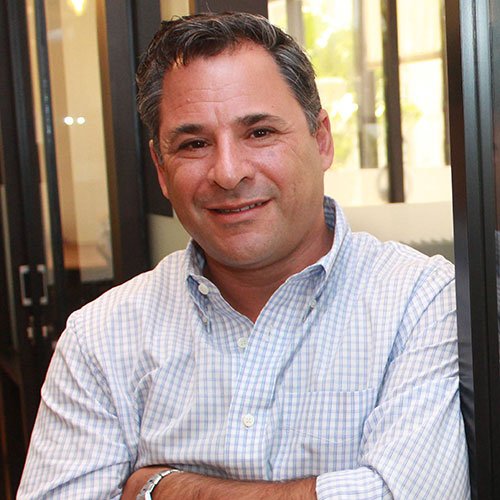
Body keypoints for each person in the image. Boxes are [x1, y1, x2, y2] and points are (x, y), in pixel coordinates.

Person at [18, 12, 469, 499]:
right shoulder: (101, 337)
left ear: (321, 140)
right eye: (194, 144)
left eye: (259, 133)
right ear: (162, 170)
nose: (228, 173)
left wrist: (165, 488)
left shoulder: (422, 301)